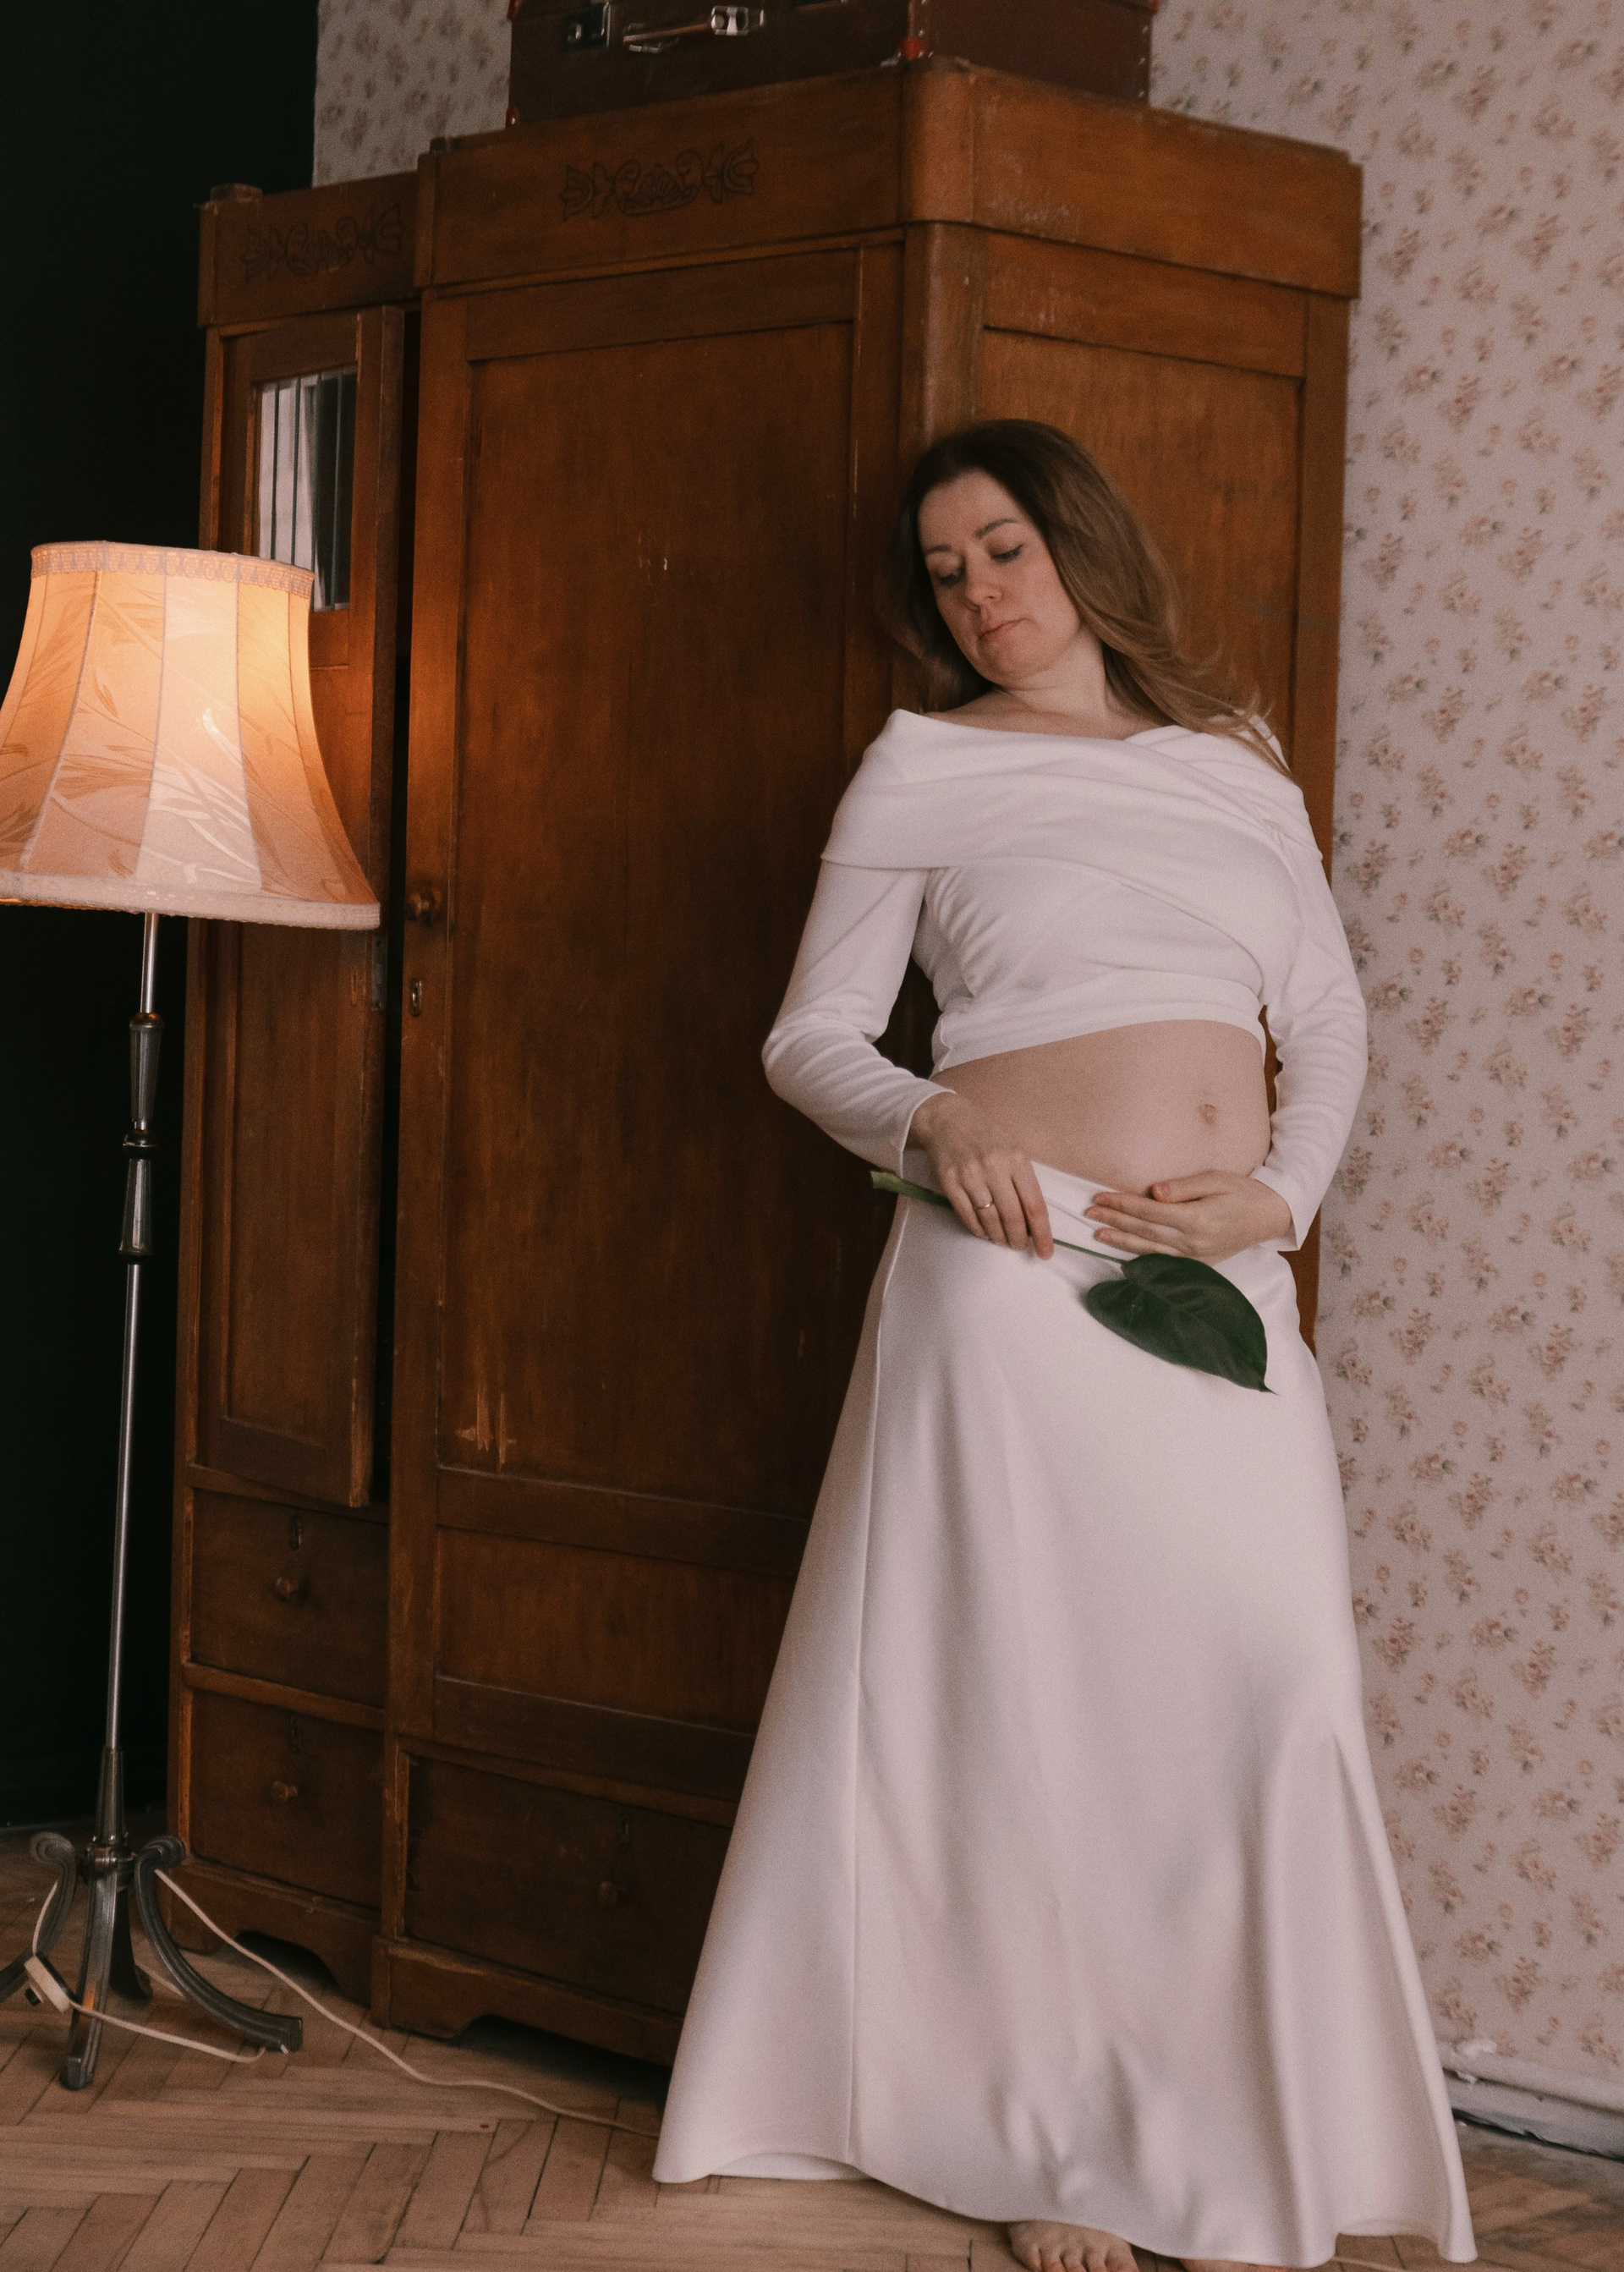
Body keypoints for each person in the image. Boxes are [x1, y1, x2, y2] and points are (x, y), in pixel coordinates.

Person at [650, 421, 1475, 2272]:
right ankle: (1045, 2136)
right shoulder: (923, 762)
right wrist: (935, 1118)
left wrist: (1284, 1196)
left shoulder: (1239, 760)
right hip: (1008, 1284)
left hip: (1215, 1283)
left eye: (1006, 548)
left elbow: (1328, 1015)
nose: (981, 594)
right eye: (947, 572)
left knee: (1275, 1684)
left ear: (1082, 543)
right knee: (1030, 1713)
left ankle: (1254, 2127)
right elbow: (811, 1035)